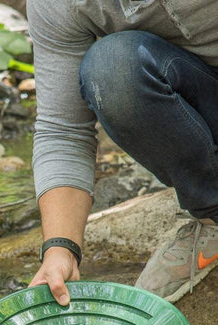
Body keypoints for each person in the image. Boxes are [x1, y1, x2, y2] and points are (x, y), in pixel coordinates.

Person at [26, 0, 218, 306]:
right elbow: (64, 130)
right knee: (113, 67)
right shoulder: (56, 6)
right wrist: (60, 249)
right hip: (200, 89)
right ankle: (214, 216)